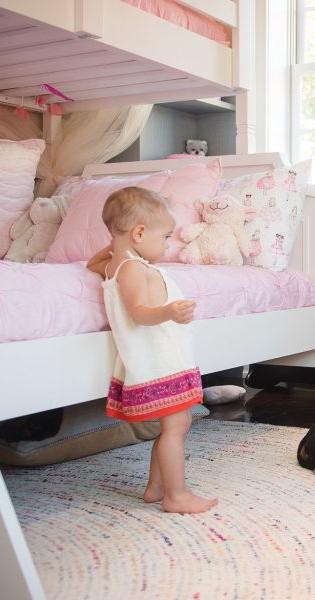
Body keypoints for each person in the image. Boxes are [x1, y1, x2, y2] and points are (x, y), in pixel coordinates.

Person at [87, 187, 217, 513]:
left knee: (175, 426)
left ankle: (156, 486)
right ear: (140, 233)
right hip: (160, 361)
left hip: (163, 358)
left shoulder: (120, 263)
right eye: (166, 236)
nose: (168, 244)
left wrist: (118, 244)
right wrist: (169, 312)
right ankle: (176, 494)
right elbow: (139, 312)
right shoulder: (131, 268)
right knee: (175, 429)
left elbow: (94, 262)